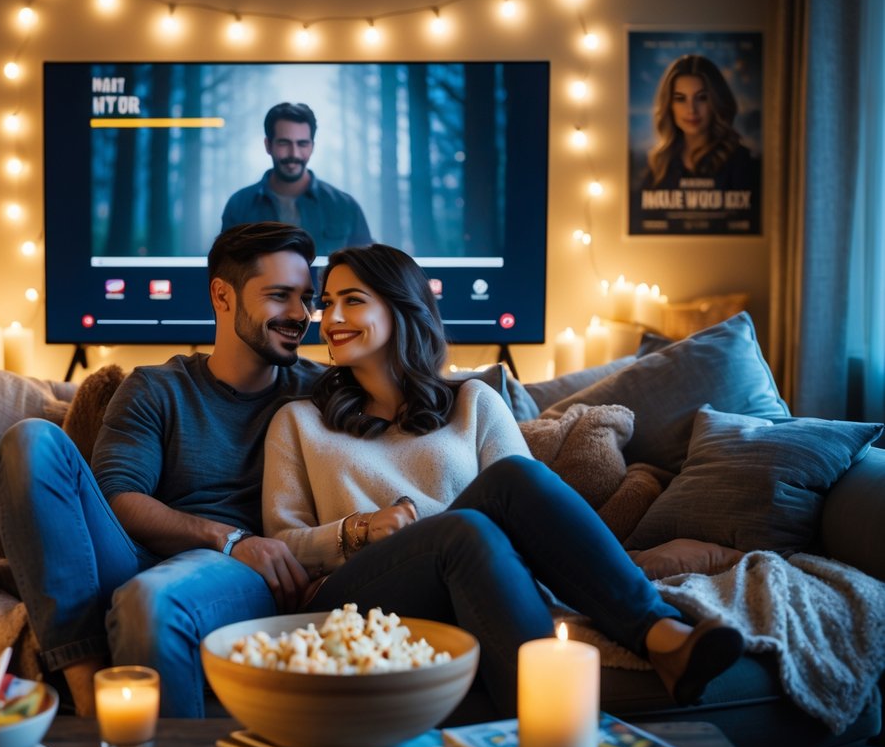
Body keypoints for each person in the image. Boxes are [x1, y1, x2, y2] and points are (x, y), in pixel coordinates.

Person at [262, 243, 745, 714]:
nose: (331, 317)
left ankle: (663, 638)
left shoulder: (475, 402)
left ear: (402, 308)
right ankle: (554, 718)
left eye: (352, 301)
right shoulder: (300, 421)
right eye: (327, 304)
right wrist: (358, 529)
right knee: (463, 528)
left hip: (469, 571)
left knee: (512, 479)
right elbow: (282, 545)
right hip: (354, 597)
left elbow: (526, 520)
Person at [0, 222, 323, 718]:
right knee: (29, 441)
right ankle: (86, 692)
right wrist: (228, 537)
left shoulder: (321, 392)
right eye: (280, 296)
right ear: (222, 296)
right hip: (138, 556)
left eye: (306, 298)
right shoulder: (156, 387)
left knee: (150, 600)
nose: (299, 314)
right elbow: (118, 498)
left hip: (236, 577)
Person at [222, 102, 372, 256]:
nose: (294, 153)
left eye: (302, 144)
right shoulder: (239, 206)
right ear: (268, 145)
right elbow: (225, 270)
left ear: (312, 147)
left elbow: (367, 272)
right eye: (284, 143)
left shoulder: (345, 207)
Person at [639, 54, 757, 192]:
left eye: (701, 98)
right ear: (669, 105)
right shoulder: (659, 165)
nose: (691, 110)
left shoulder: (741, 161)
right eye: (680, 99)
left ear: (716, 101)